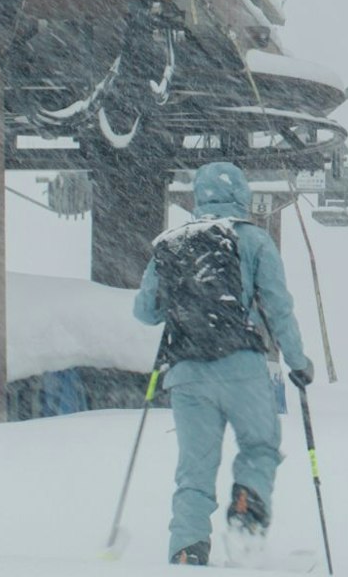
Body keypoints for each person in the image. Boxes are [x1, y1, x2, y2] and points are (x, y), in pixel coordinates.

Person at [134, 162, 314, 566]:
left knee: (194, 470)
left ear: (197, 196)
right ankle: (247, 510)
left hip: (187, 374)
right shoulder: (254, 241)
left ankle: (187, 549)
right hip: (242, 369)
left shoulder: (172, 243)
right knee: (259, 445)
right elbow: (278, 309)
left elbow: (145, 312)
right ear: (242, 195)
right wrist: (298, 363)